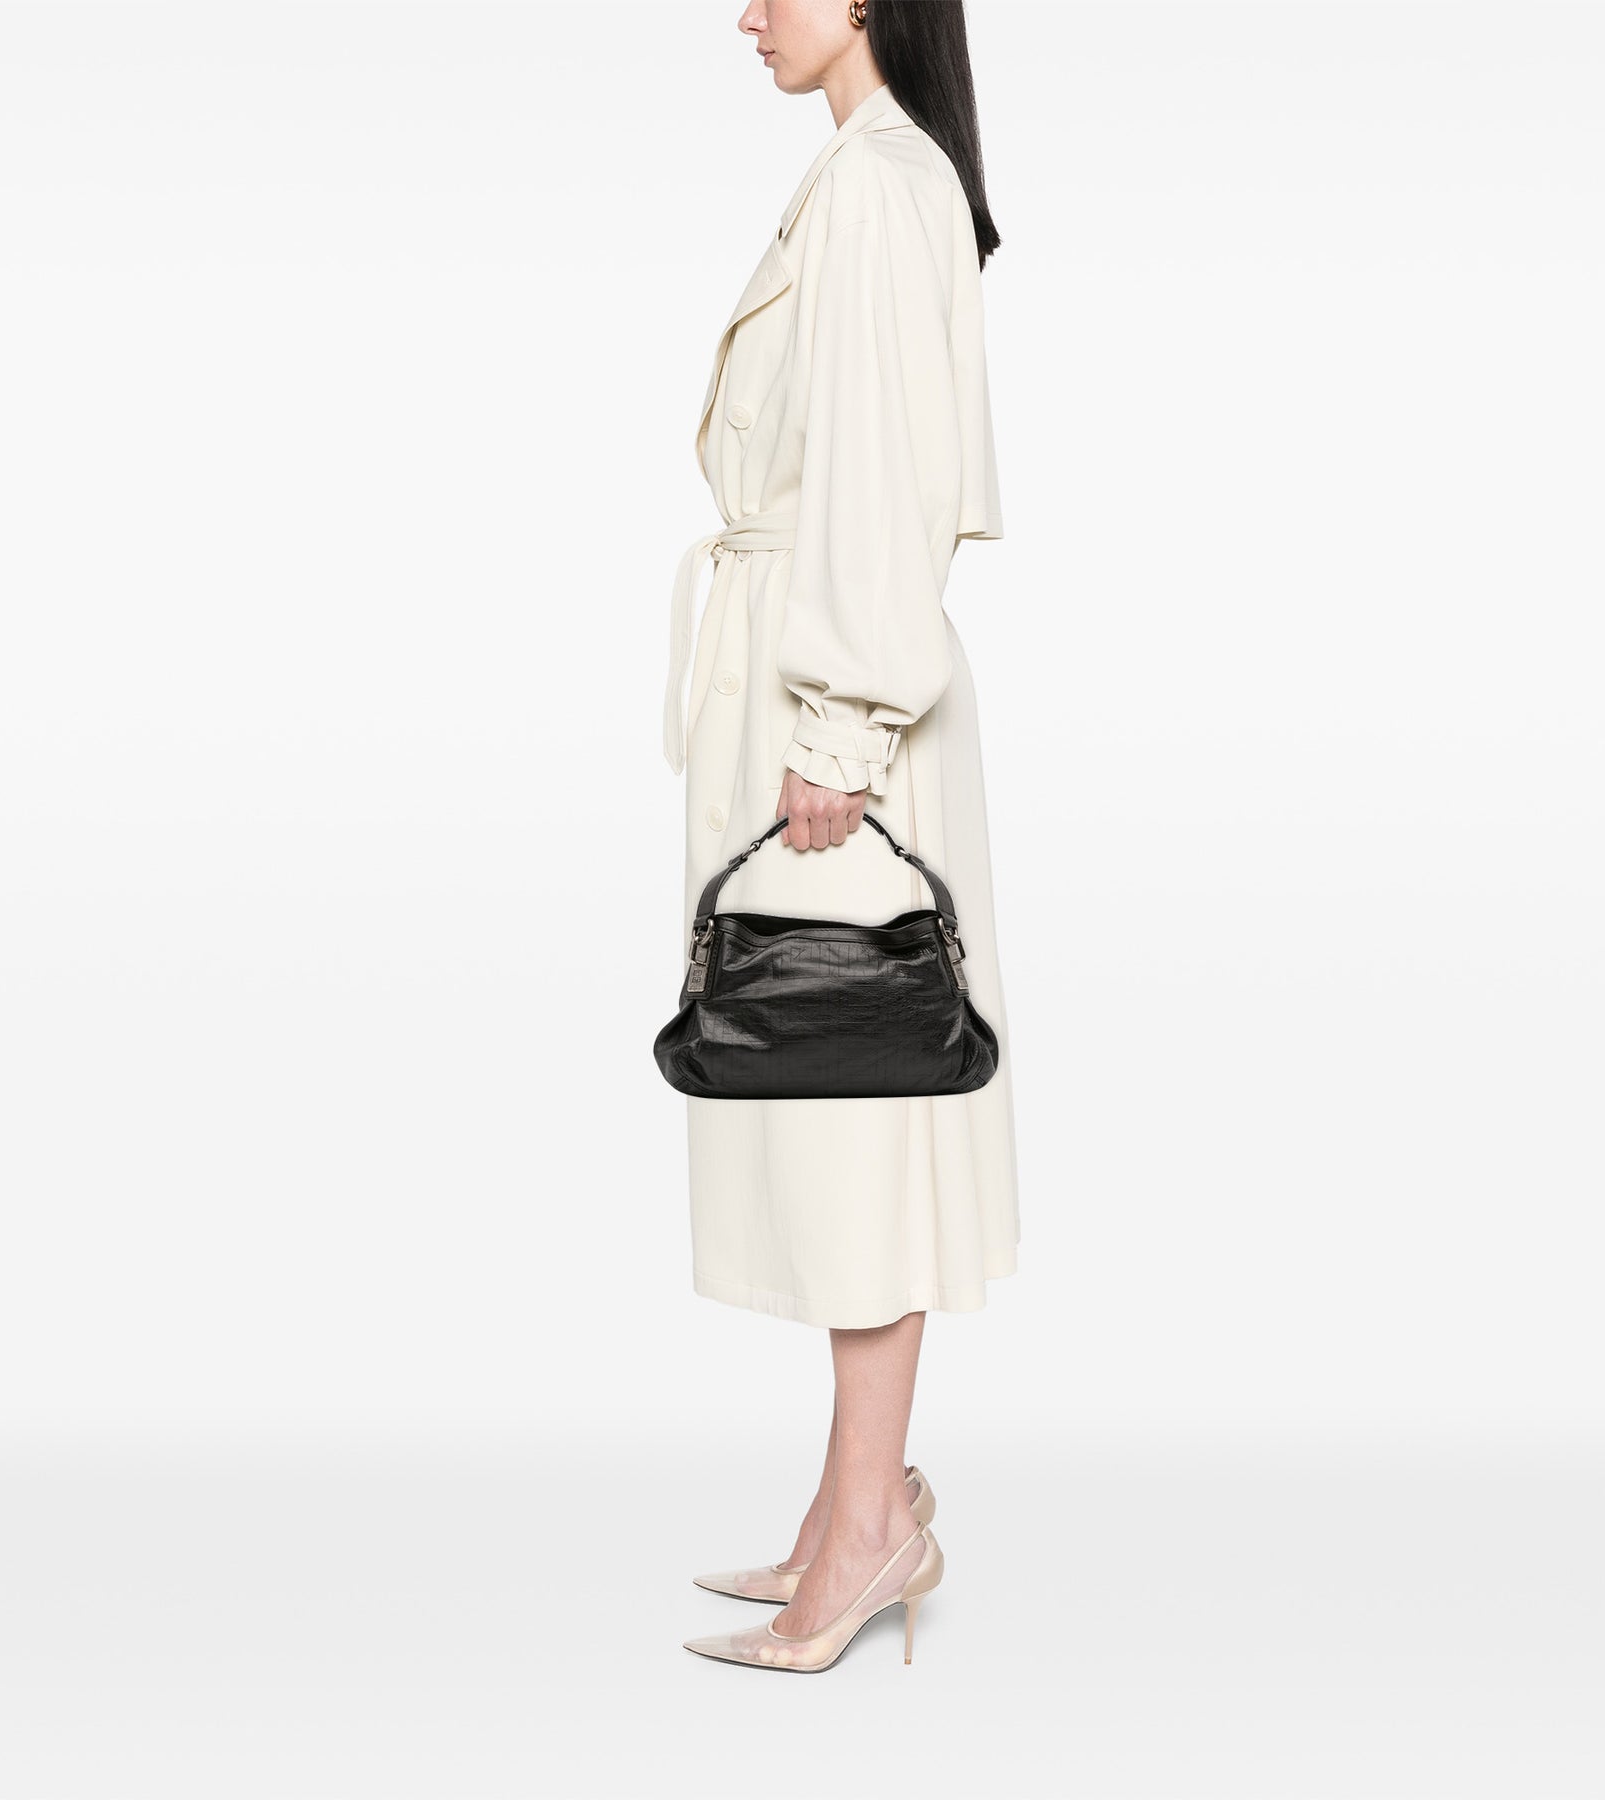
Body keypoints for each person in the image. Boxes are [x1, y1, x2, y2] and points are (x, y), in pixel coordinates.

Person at [665, 0, 1017, 1673]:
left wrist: (840, 729)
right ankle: (849, 1504)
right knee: (831, 1100)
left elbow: (886, 481)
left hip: (833, 714)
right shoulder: (875, 172)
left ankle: (872, 1526)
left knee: (851, 1101)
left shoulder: (880, 184)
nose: (746, 11)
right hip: (813, 685)